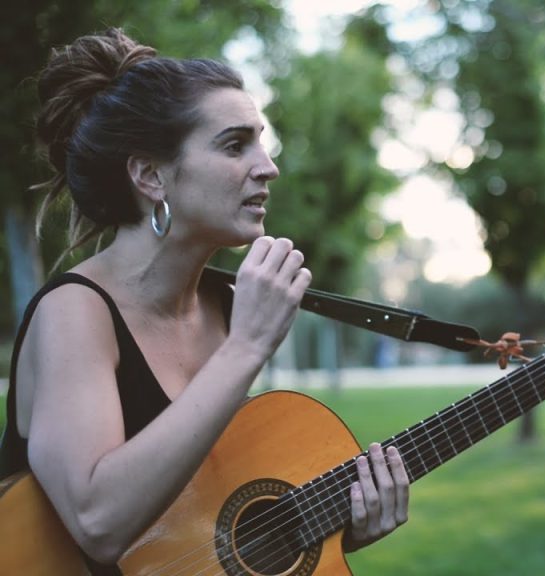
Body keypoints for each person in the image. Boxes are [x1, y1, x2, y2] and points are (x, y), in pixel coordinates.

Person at [0, 28, 409, 572]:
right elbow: (97, 523)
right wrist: (247, 348)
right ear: (150, 175)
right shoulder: (75, 312)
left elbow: (198, 525)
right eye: (235, 144)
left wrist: (330, 525)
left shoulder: (224, 305)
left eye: (261, 141)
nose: (268, 166)